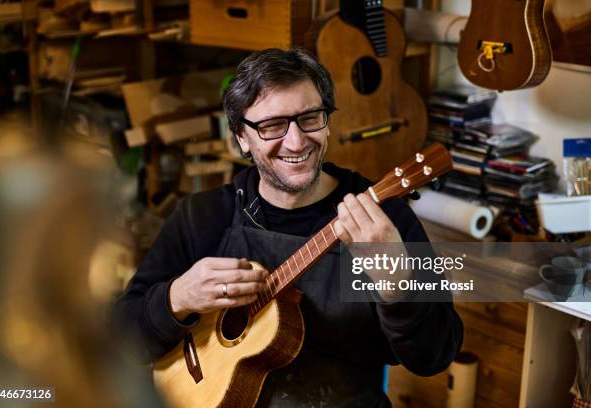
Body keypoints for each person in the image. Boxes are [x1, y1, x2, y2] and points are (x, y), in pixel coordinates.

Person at [114, 47, 463, 408]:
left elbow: (434, 358)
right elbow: (121, 335)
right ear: (241, 137)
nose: (296, 142)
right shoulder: (203, 217)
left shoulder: (383, 221)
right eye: (272, 126)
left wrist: (397, 285)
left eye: (310, 118)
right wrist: (177, 297)